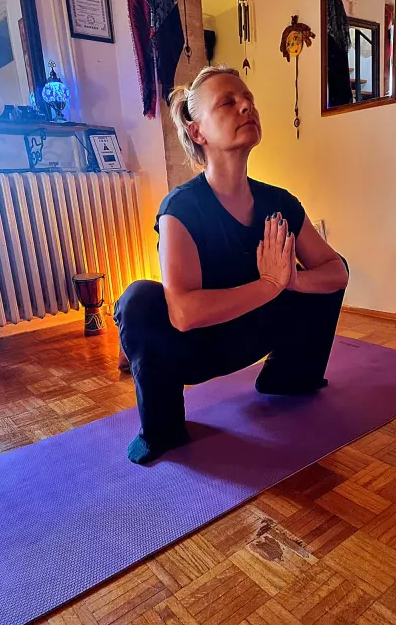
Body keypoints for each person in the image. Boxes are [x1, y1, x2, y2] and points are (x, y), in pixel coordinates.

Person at [114, 66, 349, 465]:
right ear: (197, 132)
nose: (246, 107)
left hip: (257, 332)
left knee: (322, 278)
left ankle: (289, 377)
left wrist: (291, 281)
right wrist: (269, 284)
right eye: (228, 102)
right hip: (199, 350)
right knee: (138, 300)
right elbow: (184, 314)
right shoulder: (180, 207)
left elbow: (336, 270)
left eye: (248, 100)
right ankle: (161, 431)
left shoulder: (280, 203)